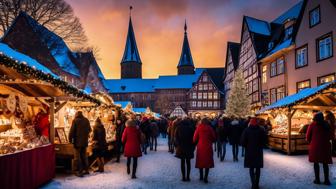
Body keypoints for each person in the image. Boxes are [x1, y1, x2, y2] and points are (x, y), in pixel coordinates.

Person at [306, 112, 333, 185]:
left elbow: (308, 137)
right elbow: (331, 136)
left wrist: (311, 142)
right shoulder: (327, 125)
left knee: (316, 163)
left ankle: (317, 180)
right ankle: (326, 181)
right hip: (325, 147)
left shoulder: (312, 125)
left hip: (315, 147)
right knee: (325, 164)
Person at [240, 117, 266, 189]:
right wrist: (261, 145)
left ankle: (253, 184)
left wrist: (246, 146)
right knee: (258, 168)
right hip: (258, 152)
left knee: (251, 168)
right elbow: (264, 141)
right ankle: (256, 184)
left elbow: (242, 142)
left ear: (250, 123)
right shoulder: (261, 130)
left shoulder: (246, 130)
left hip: (249, 151)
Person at [193, 118, 216, 183]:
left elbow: (194, 138)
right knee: (207, 162)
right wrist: (211, 140)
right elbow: (214, 137)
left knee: (200, 161)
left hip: (200, 146)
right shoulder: (210, 128)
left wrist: (196, 141)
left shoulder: (198, 128)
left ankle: (201, 176)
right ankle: (206, 177)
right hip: (208, 146)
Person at [69, 111, 91, 177]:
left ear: (76, 115)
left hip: (77, 142)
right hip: (84, 142)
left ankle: (79, 171)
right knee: (84, 156)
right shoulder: (86, 120)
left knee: (77, 157)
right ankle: (86, 170)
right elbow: (90, 130)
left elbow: (71, 132)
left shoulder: (75, 121)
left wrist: (70, 140)